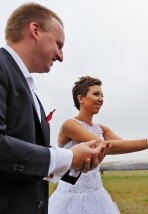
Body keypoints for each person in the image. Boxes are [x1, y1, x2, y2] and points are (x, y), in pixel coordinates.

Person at [0, 3, 110, 214]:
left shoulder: (26, 85)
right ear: (35, 31)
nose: (61, 56)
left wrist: (73, 164)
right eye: (58, 45)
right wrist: (68, 157)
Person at [49, 76, 148, 214]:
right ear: (81, 98)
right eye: (96, 94)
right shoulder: (69, 125)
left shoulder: (101, 128)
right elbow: (104, 146)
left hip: (97, 194)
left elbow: (122, 145)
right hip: (71, 196)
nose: (101, 99)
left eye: (102, 95)